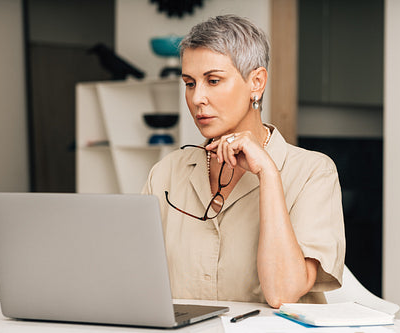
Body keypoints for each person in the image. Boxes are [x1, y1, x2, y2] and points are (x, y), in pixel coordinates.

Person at [142, 14, 345, 308]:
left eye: (213, 80)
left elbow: (283, 293)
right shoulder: (166, 173)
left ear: (257, 82)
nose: (198, 97)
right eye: (189, 83)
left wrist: (268, 175)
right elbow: (136, 282)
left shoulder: (314, 172)